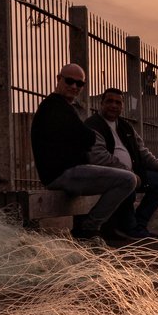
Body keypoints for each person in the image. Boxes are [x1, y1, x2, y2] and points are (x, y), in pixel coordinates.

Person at [30, 64, 139, 241]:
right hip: (62, 174)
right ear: (58, 79)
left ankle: (111, 228)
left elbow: (81, 137)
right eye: (69, 81)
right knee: (127, 179)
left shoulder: (62, 107)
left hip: (65, 172)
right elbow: (87, 137)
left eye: (79, 84)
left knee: (126, 178)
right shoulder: (55, 107)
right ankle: (89, 229)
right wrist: (83, 139)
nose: (74, 86)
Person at [86, 87, 158, 239]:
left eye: (118, 103)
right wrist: (126, 171)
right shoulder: (93, 125)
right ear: (101, 103)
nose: (113, 105)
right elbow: (99, 157)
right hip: (107, 176)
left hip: (132, 173)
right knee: (127, 180)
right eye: (109, 101)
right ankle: (129, 227)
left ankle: (140, 224)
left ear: (122, 106)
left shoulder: (126, 127)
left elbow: (142, 151)